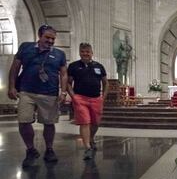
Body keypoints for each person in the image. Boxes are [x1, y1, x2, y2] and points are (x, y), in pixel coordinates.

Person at [8, 24, 68, 168]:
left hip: (49, 92)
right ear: (39, 36)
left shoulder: (60, 54)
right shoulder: (25, 47)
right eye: (47, 37)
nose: (51, 41)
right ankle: (30, 149)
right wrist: (11, 86)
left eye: (53, 39)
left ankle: (49, 149)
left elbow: (64, 74)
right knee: (23, 121)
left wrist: (63, 91)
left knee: (49, 123)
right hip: (26, 91)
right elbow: (15, 68)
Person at [67, 43, 108, 160]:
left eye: (87, 52)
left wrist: (103, 97)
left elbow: (106, 83)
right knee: (85, 122)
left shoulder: (99, 66)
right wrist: (73, 96)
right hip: (80, 98)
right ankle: (87, 148)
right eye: (83, 52)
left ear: (92, 53)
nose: (85, 54)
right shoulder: (73, 66)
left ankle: (90, 138)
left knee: (95, 123)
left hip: (96, 98)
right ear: (80, 52)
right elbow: (69, 83)